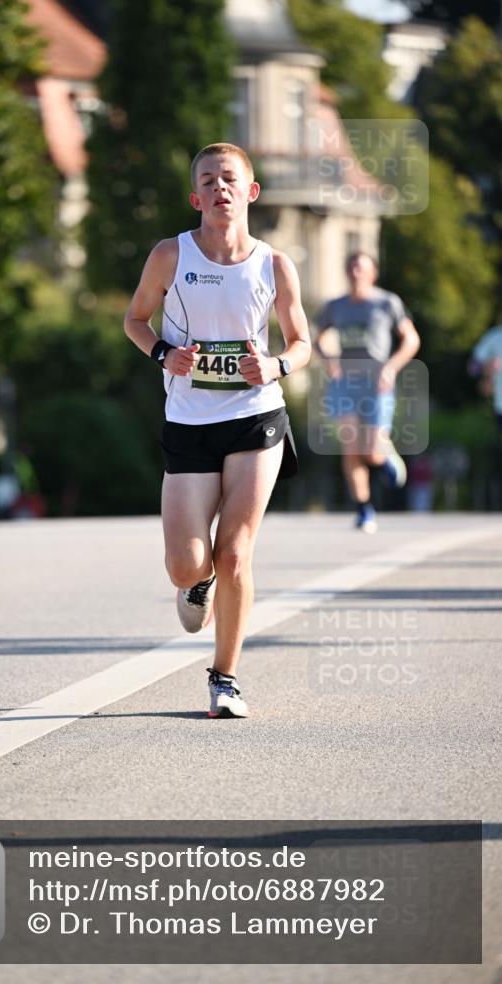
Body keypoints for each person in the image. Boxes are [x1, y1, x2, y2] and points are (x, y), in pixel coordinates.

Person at [124, 142, 311, 719]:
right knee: (187, 562)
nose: (219, 188)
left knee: (235, 554)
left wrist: (276, 364)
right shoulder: (170, 254)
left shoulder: (275, 264)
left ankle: (224, 679)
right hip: (188, 421)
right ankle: (193, 584)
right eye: (208, 180)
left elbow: (302, 343)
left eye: (229, 178)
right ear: (195, 196)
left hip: (256, 416)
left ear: (250, 192)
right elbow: (134, 319)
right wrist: (163, 354)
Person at [314, 252, 420, 534]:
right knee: (351, 447)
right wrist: (329, 360)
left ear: (372, 273)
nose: (355, 273)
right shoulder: (335, 306)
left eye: (361, 268)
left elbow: (411, 339)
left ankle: (384, 458)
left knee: (370, 451)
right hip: (345, 383)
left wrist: (392, 368)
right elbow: (318, 338)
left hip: (376, 383)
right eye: (351, 268)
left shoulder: (387, 302)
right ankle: (363, 508)